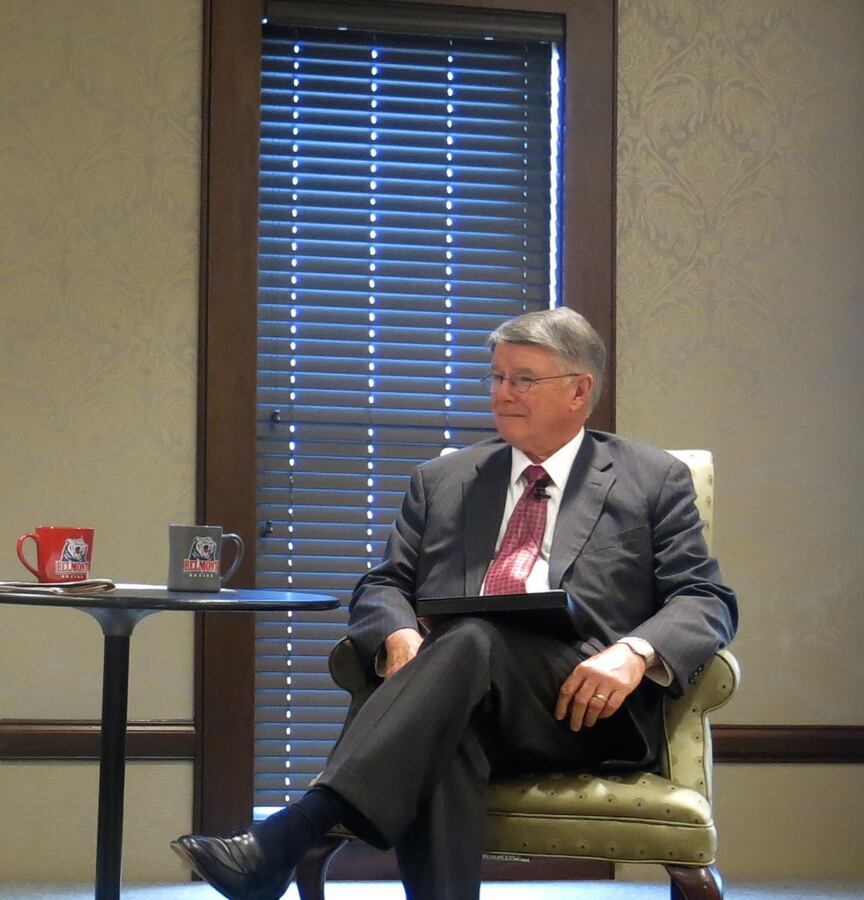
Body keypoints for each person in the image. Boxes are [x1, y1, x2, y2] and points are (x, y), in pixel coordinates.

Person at [171, 307, 736, 900]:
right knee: (452, 717)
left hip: (583, 702)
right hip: (458, 690)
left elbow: (706, 597)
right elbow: (383, 584)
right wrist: (397, 636)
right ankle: (296, 837)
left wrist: (634, 653)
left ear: (579, 390)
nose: (502, 393)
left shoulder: (651, 478)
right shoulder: (443, 479)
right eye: (495, 377)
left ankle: (291, 833)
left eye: (523, 379)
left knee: (468, 637)